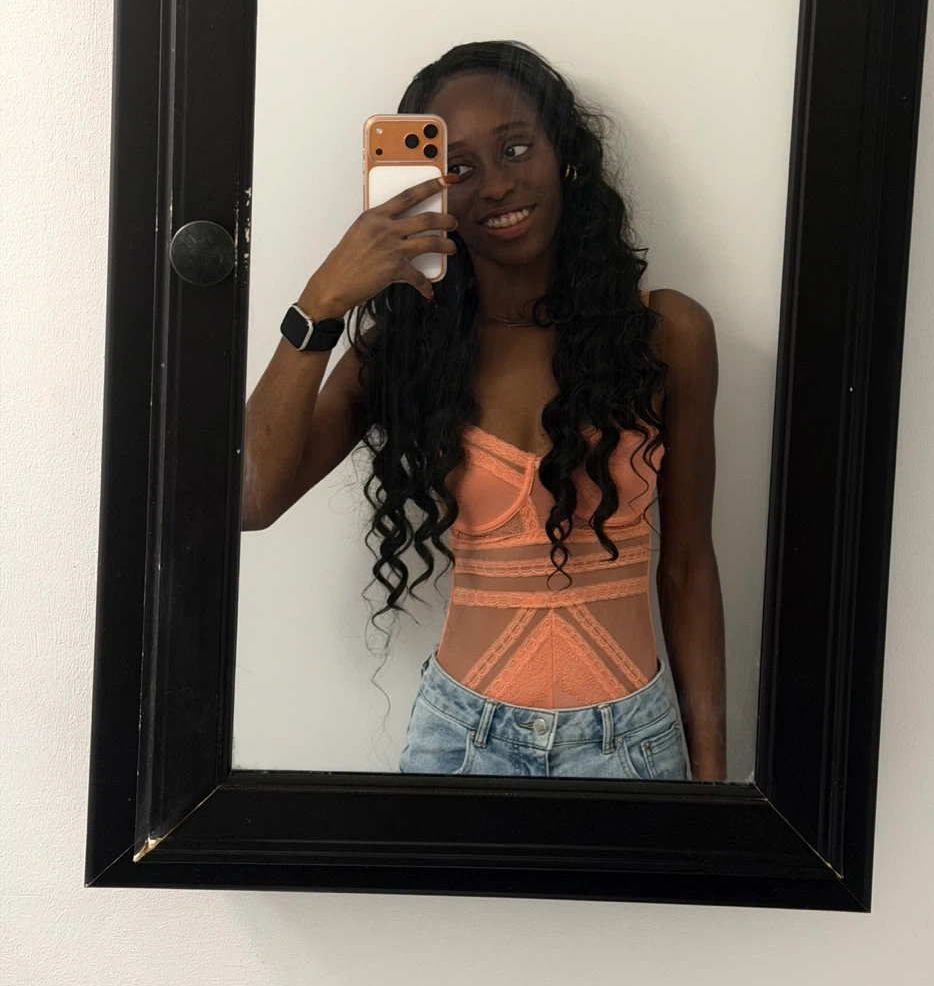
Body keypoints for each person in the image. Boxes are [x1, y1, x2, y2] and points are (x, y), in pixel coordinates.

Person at [242, 40, 727, 781]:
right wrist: (321, 302)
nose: (496, 186)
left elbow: (689, 566)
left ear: (563, 156)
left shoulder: (667, 334)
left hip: (632, 748)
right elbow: (250, 499)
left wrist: (713, 788)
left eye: (516, 149)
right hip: (460, 744)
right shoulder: (400, 352)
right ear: (431, 193)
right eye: (460, 169)